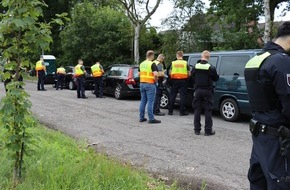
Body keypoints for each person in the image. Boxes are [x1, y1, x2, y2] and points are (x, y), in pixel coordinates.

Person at [245, 22, 290, 189]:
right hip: (279, 140)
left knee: (258, 182)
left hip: (259, 137)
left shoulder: (256, 59)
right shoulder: (282, 61)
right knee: (281, 183)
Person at [192, 50, 219, 136]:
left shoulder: (195, 66)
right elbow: (216, 78)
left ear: (201, 56)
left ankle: (197, 130)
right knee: (208, 110)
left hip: (198, 90)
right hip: (208, 91)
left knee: (197, 110)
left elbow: (192, 76)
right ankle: (208, 131)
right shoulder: (211, 67)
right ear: (208, 57)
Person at [139, 50, 161, 124]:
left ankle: (141, 117)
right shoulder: (152, 64)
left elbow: (139, 74)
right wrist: (156, 81)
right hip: (150, 84)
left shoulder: (141, 64)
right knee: (150, 102)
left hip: (142, 84)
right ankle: (151, 119)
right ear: (152, 56)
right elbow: (155, 74)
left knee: (143, 101)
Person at [168, 51, 190, 116]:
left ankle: (170, 111)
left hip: (174, 81)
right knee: (182, 96)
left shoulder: (173, 63)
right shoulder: (185, 63)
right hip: (183, 81)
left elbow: (169, 72)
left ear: (176, 55)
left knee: (173, 95)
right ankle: (182, 112)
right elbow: (189, 73)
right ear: (182, 55)